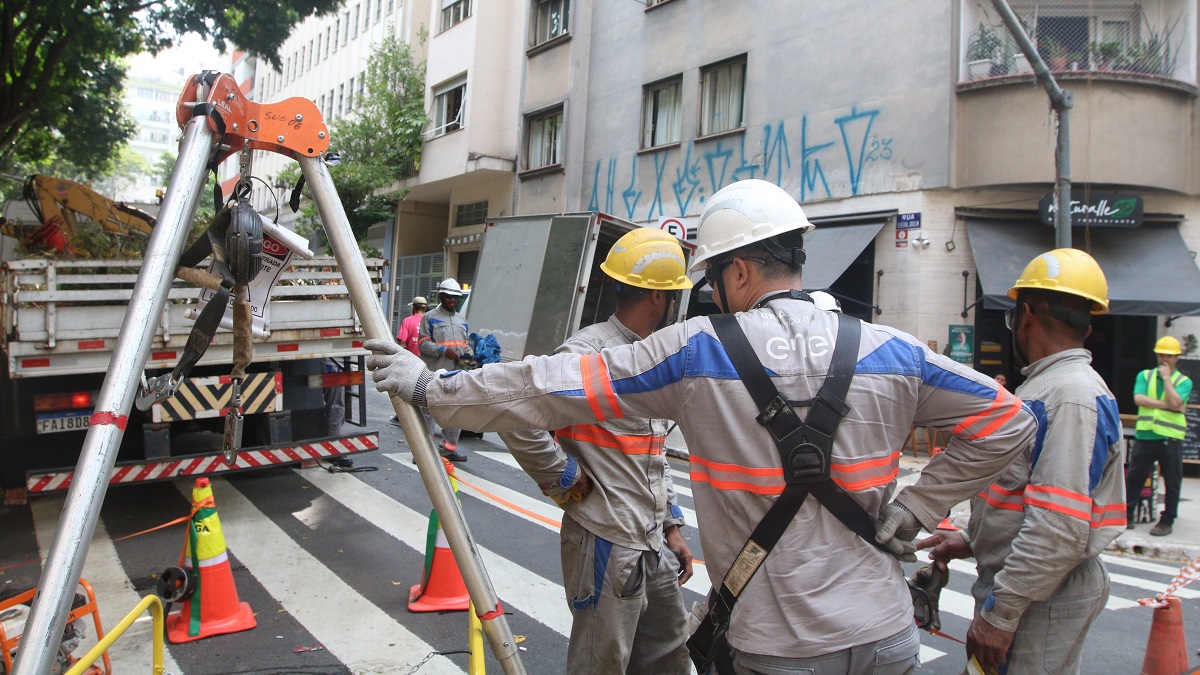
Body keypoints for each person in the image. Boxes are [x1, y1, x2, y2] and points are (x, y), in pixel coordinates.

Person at [364, 179, 1035, 672]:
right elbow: (1009, 421)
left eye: (714, 278)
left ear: (739, 269)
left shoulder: (699, 351)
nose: (710, 295)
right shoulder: (892, 350)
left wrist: (432, 387)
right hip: (888, 639)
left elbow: (548, 386)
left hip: (780, 647)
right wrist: (920, 503)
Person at [918, 248, 1125, 674]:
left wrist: (1001, 616)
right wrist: (974, 537)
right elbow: (1023, 494)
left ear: (1026, 315)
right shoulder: (1050, 388)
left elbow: (1058, 527)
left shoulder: (1070, 397)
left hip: (1040, 598)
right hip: (1032, 588)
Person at [500, 227, 694, 674]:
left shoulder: (652, 354)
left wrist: (672, 526)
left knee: (670, 659)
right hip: (606, 540)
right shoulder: (589, 353)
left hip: (651, 540)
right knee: (601, 664)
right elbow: (516, 416)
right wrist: (564, 476)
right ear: (658, 298)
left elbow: (652, 454)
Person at [1125, 335, 1193, 536]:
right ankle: (1126, 515)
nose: (1165, 358)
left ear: (1177, 358)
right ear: (1156, 354)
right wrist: (1169, 405)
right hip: (1146, 435)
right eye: (1162, 353)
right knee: (1135, 477)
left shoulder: (1183, 381)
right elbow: (1139, 399)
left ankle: (1167, 521)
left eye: (1169, 355)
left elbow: (1176, 400)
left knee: (1172, 481)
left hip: (1170, 437)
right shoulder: (1144, 376)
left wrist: (1166, 379)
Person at [417, 278, 474, 462]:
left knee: (454, 411)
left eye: (455, 298)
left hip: (456, 374)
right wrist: (442, 350)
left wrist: (470, 357)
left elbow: (464, 345)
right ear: (441, 296)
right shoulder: (429, 317)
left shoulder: (461, 321)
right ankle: (424, 454)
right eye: (449, 297)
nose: (452, 300)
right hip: (434, 374)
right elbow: (423, 344)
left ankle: (449, 449)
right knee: (428, 413)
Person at [390, 296, 429, 426]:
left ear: (413, 307)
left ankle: (403, 416)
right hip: (428, 363)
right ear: (425, 308)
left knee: (405, 389)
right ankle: (423, 419)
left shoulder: (407, 322)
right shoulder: (429, 322)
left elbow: (401, 343)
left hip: (412, 363)